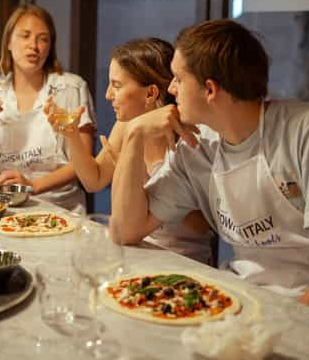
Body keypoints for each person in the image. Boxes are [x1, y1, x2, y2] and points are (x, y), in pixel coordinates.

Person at [111, 19, 309, 330]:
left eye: (178, 79)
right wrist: (133, 137)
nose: (171, 90)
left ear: (210, 89)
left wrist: (286, 331)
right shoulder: (197, 145)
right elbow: (124, 231)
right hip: (246, 307)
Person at [44, 37, 212, 264]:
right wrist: (71, 135)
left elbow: (202, 226)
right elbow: (94, 180)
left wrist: (144, 181)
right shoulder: (126, 126)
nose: (107, 95)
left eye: (116, 85)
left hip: (185, 260)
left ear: (150, 93)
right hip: (135, 250)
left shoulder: (188, 134)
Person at [0, 4, 95, 214]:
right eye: (25, 36)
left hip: (57, 208)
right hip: (1, 206)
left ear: (50, 46)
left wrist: (32, 185)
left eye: (43, 38)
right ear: (8, 41)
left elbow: (84, 162)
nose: (34, 46)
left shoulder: (71, 88)